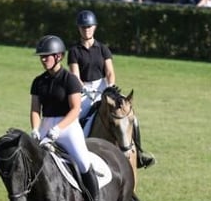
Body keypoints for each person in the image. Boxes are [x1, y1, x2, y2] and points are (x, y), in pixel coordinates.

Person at [30, 34, 106, 201]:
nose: (43, 59)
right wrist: (35, 129)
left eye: (47, 55)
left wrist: (59, 128)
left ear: (59, 57)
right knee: (32, 165)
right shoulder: (38, 82)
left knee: (82, 161)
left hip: (68, 126)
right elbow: (35, 109)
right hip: (46, 124)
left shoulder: (70, 80)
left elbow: (75, 109)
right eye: (42, 56)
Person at [67, 10, 156, 169]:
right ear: (79, 29)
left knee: (129, 115)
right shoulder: (74, 51)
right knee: (76, 119)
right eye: (83, 27)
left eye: (89, 26)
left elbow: (110, 72)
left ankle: (140, 154)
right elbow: (75, 75)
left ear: (94, 28)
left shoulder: (103, 49)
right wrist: (85, 89)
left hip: (104, 87)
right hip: (84, 90)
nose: (86, 29)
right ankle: (76, 153)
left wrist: (109, 88)